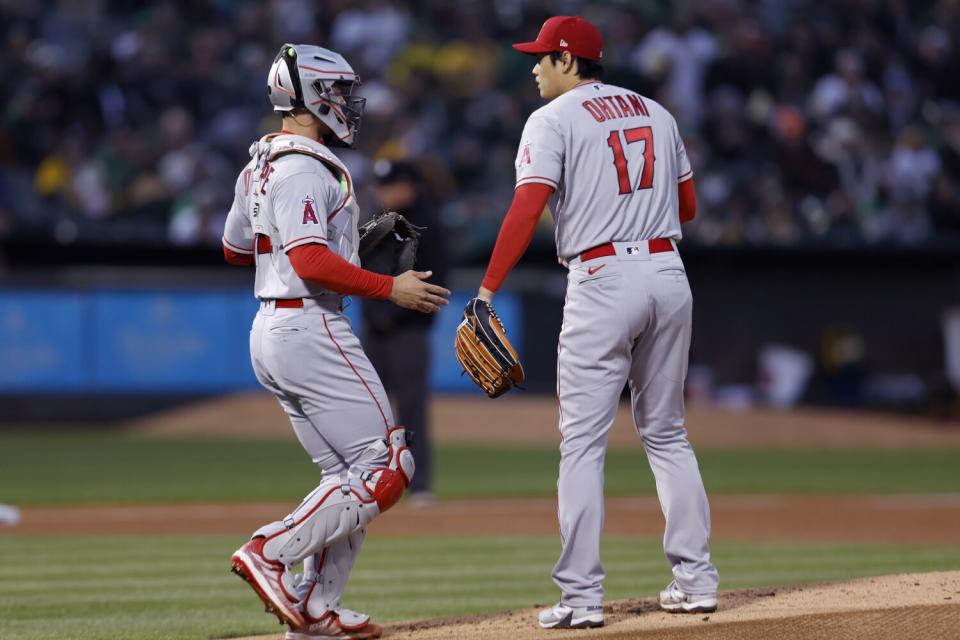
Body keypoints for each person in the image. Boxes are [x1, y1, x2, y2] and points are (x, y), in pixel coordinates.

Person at [475, 17, 719, 629]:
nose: (532, 67)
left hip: (602, 277)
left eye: (540, 58)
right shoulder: (658, 113)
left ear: (566, 59)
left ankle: (581, 598)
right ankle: (697, 580)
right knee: (666, 433)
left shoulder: (551, 120)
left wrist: (486, 289)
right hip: (668, 270)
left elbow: (526, 208)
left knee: (582, 442)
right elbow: (687, 205)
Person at [221, 43, 449, 640]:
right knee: (388, 466)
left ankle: (316, 608)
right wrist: (387, 286)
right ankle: (270, 549)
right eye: (341, 92)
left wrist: (337, 246)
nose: (349, 102)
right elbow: (310, 260)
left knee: (345, 473)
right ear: (314, 96)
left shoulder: (260, 163)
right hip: (310, 322)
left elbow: (236, 248)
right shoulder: (304, 164)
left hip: (272, 325)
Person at [361, 160, 449, 501]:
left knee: (411, 408)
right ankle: (370, 479)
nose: (386, 191)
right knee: (370, 410)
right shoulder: (375, 221)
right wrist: (374, 314)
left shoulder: (428, 225)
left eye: (392, 184)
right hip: (374, 331)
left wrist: (400, 316)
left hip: (409, 331)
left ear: (410, 186)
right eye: (382, 185)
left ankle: (420, 483)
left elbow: (437, 281)